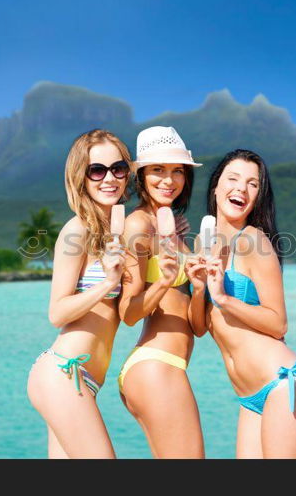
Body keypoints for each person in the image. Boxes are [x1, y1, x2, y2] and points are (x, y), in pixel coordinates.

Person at [185, 149, 296, 458]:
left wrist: (222, 297)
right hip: (249, 396)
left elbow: (278, 324)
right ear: (216, 187)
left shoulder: (254, 242)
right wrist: (197, 290)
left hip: (284, 384)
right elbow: (198, 328)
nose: (242, 189)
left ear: (259, 196)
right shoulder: (201, 244)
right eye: (233, 179)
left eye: (253, 184)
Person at [26, 129, 132, 458]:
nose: (109, 178)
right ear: (80, 177)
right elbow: (57, 312)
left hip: (82, 379)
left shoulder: (116, 230)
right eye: (96, 170)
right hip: (65, 372)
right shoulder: (79, 229)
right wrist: (106, 284)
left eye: (118, 168)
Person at [117, 126, 205, 458]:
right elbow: (128, 312)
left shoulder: (176, 233)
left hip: (170, 365)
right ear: (141, 176)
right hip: (156, 364)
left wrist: (199, 289)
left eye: (177, 171)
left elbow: (197, 327)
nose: (168, 180)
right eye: (158, 170)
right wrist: (165, 281)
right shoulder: (137, 225)